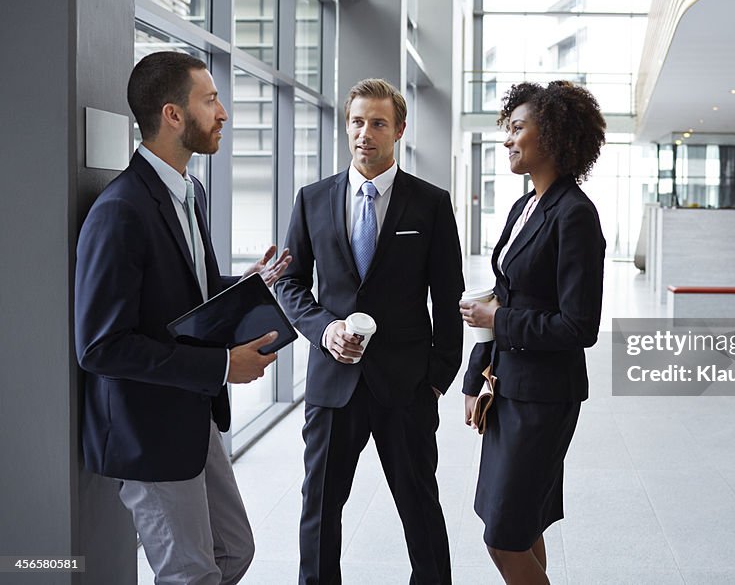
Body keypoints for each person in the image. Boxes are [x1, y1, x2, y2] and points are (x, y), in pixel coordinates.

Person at [75, 51, 291, 584]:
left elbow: (181, 297)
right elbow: (101, 346)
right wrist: (221, 366)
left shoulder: (187, 192)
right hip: (148, 430)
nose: (223, 113)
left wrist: (245, 287)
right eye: (211, 99)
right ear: (173, 115)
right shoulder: (121, 210)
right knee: (190, 575)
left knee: (234, 552)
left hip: (192, 415)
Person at [277, 78, 464, 585]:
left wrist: (438, 378)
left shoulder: (429, 204)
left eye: (378, 123)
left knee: (420, 509)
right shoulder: (312, 199)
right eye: (357, 121)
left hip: (406, 386)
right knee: (318, 510)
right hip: (332, 385)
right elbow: (291, 285)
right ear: (347, 126)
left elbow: (447, 299)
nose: (366, 133)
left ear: (399, 130)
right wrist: (324, 330)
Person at [460, 80, 606, 585]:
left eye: (518, 128)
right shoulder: (525, 208)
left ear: (554, 135)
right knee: (522, 523)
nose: (507, 139)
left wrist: (497, 320)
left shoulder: (575, 215)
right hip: (508, 388)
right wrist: (473, 376)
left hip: (544, 399)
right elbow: (503, 292)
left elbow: (579, 325)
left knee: (503, 535)